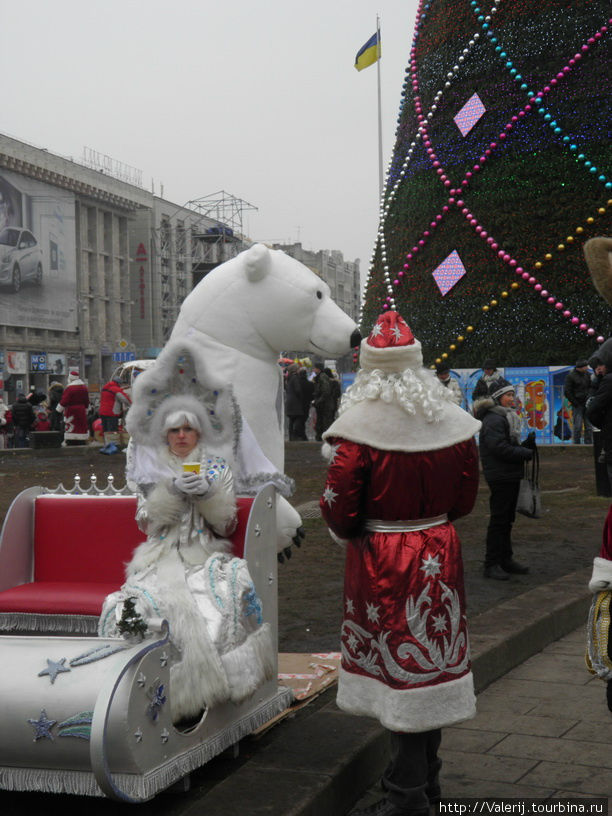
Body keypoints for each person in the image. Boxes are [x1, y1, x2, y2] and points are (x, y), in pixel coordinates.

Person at [319, 311, 481, 816]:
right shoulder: (453, 426)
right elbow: (465, 501)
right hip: (439, 547)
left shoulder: (357, 435)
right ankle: (425, 784)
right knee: (430, 664)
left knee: (402, 674)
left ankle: (407, 797)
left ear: (368, 372)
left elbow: (339, 510)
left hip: (384, 559)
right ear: (417, 368)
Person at [99, 397, 275, 725]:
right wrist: (170, 492)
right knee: (137, 611)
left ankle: (202, 700)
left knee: (214, 608)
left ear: (199, 433)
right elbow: (146, 523)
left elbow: (227, 526)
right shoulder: (151, 470)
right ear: (165, 434)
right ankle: (148, 695)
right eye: (175, 430)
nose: (181, 436)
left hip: (204, 557)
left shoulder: (217, 469)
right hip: (158, 558)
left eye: (188, 429)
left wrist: (209, 495)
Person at [473, 378, 535, 581]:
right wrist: (523, 453)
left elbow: (505, 444)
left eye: (511, 395)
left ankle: (505, 559)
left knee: (507, 519)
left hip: (507, 473)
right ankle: (491, 563)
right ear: (499, 398)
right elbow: (498, 448)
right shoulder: (494, 419)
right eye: (508, 396)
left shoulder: (502, 417)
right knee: (499, 520)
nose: (512, 399)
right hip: (500, 475)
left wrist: (526, 445)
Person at [586, 339, 612, 489]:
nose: (598, 369)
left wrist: (604, 424)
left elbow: (592, 409)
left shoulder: (608, 382)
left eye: (600, 365)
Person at [99, 374, 131, 453]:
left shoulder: (105, 387)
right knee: (112, 431)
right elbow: (124, 399)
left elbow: (111, 395)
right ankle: (112, 447)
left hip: (103, 411)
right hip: (111, 412)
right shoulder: (116, 389)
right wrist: (132, 404)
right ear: (118, 383)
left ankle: (106, 446)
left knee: (105, 430)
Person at [56, 369, 90, 445]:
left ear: (70, 378)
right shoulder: (84, 387)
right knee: (80, 425)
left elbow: (64, 400)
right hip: (81, 409)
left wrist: (58, 409)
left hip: (72, 410)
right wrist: (86, 408)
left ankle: (71, 440)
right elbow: (86, 400)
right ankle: (82, 440)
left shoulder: (70, 388)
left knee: (72, 425)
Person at [564, 359, 593, 444]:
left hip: (587, 403)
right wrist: (575, 403)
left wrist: (589, 398)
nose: (587, 367)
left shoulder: (588, 374)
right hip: (577, 404)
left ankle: (589, 444)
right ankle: (576, 444)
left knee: (589, 427)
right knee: (578, 426)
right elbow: (567, 391)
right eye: (586, 366)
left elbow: (591, 387)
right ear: (581, 367)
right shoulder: (571, 376)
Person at [312, 360, 335, 441]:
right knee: (321, 421)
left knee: (325, 422)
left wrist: (319, 401)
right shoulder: (319, 377)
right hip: (322, 404)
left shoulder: (322, 377)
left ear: (318, 369)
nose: (313, 370)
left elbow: (326, 391)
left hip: (325, 404)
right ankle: (320, 436)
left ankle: (326, 437)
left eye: (315, 368)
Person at [285, 363, 307, 440]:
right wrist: (301, 397)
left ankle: (291, 436)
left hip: (289, 401)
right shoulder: (295, 378)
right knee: (299, 417)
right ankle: (295, 434)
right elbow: (297, 389)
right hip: (295, 402)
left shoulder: (288, 378)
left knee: (291, 419)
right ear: (295, 370)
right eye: (298, 369)